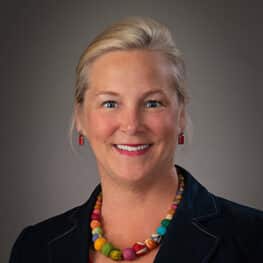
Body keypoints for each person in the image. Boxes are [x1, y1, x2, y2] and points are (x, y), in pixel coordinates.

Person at [9, 17, 263, 263]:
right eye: (110, 103)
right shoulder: (34, 248)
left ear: (181, 114)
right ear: (80, 118)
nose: (131, 125)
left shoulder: (253, 239)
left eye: (153, 103)